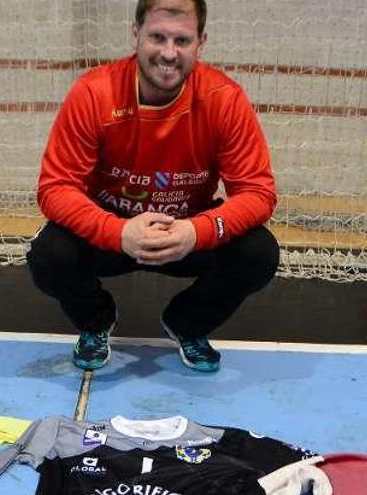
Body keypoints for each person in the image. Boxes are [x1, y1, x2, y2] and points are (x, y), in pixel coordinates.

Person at [26, 0, 279, 373]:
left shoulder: (224, 99)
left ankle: (187, 324)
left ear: (201, 42)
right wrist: (117, 231)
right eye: (157, 37)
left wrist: (197, 230)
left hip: (186, 228)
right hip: (113, 230)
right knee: (48, 254)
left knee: (259, 252)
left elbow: (259, 192)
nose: (168, 53)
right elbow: (55, 187)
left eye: (182, 40)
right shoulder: (94, 93)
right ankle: (96, 322)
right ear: (136, 34)